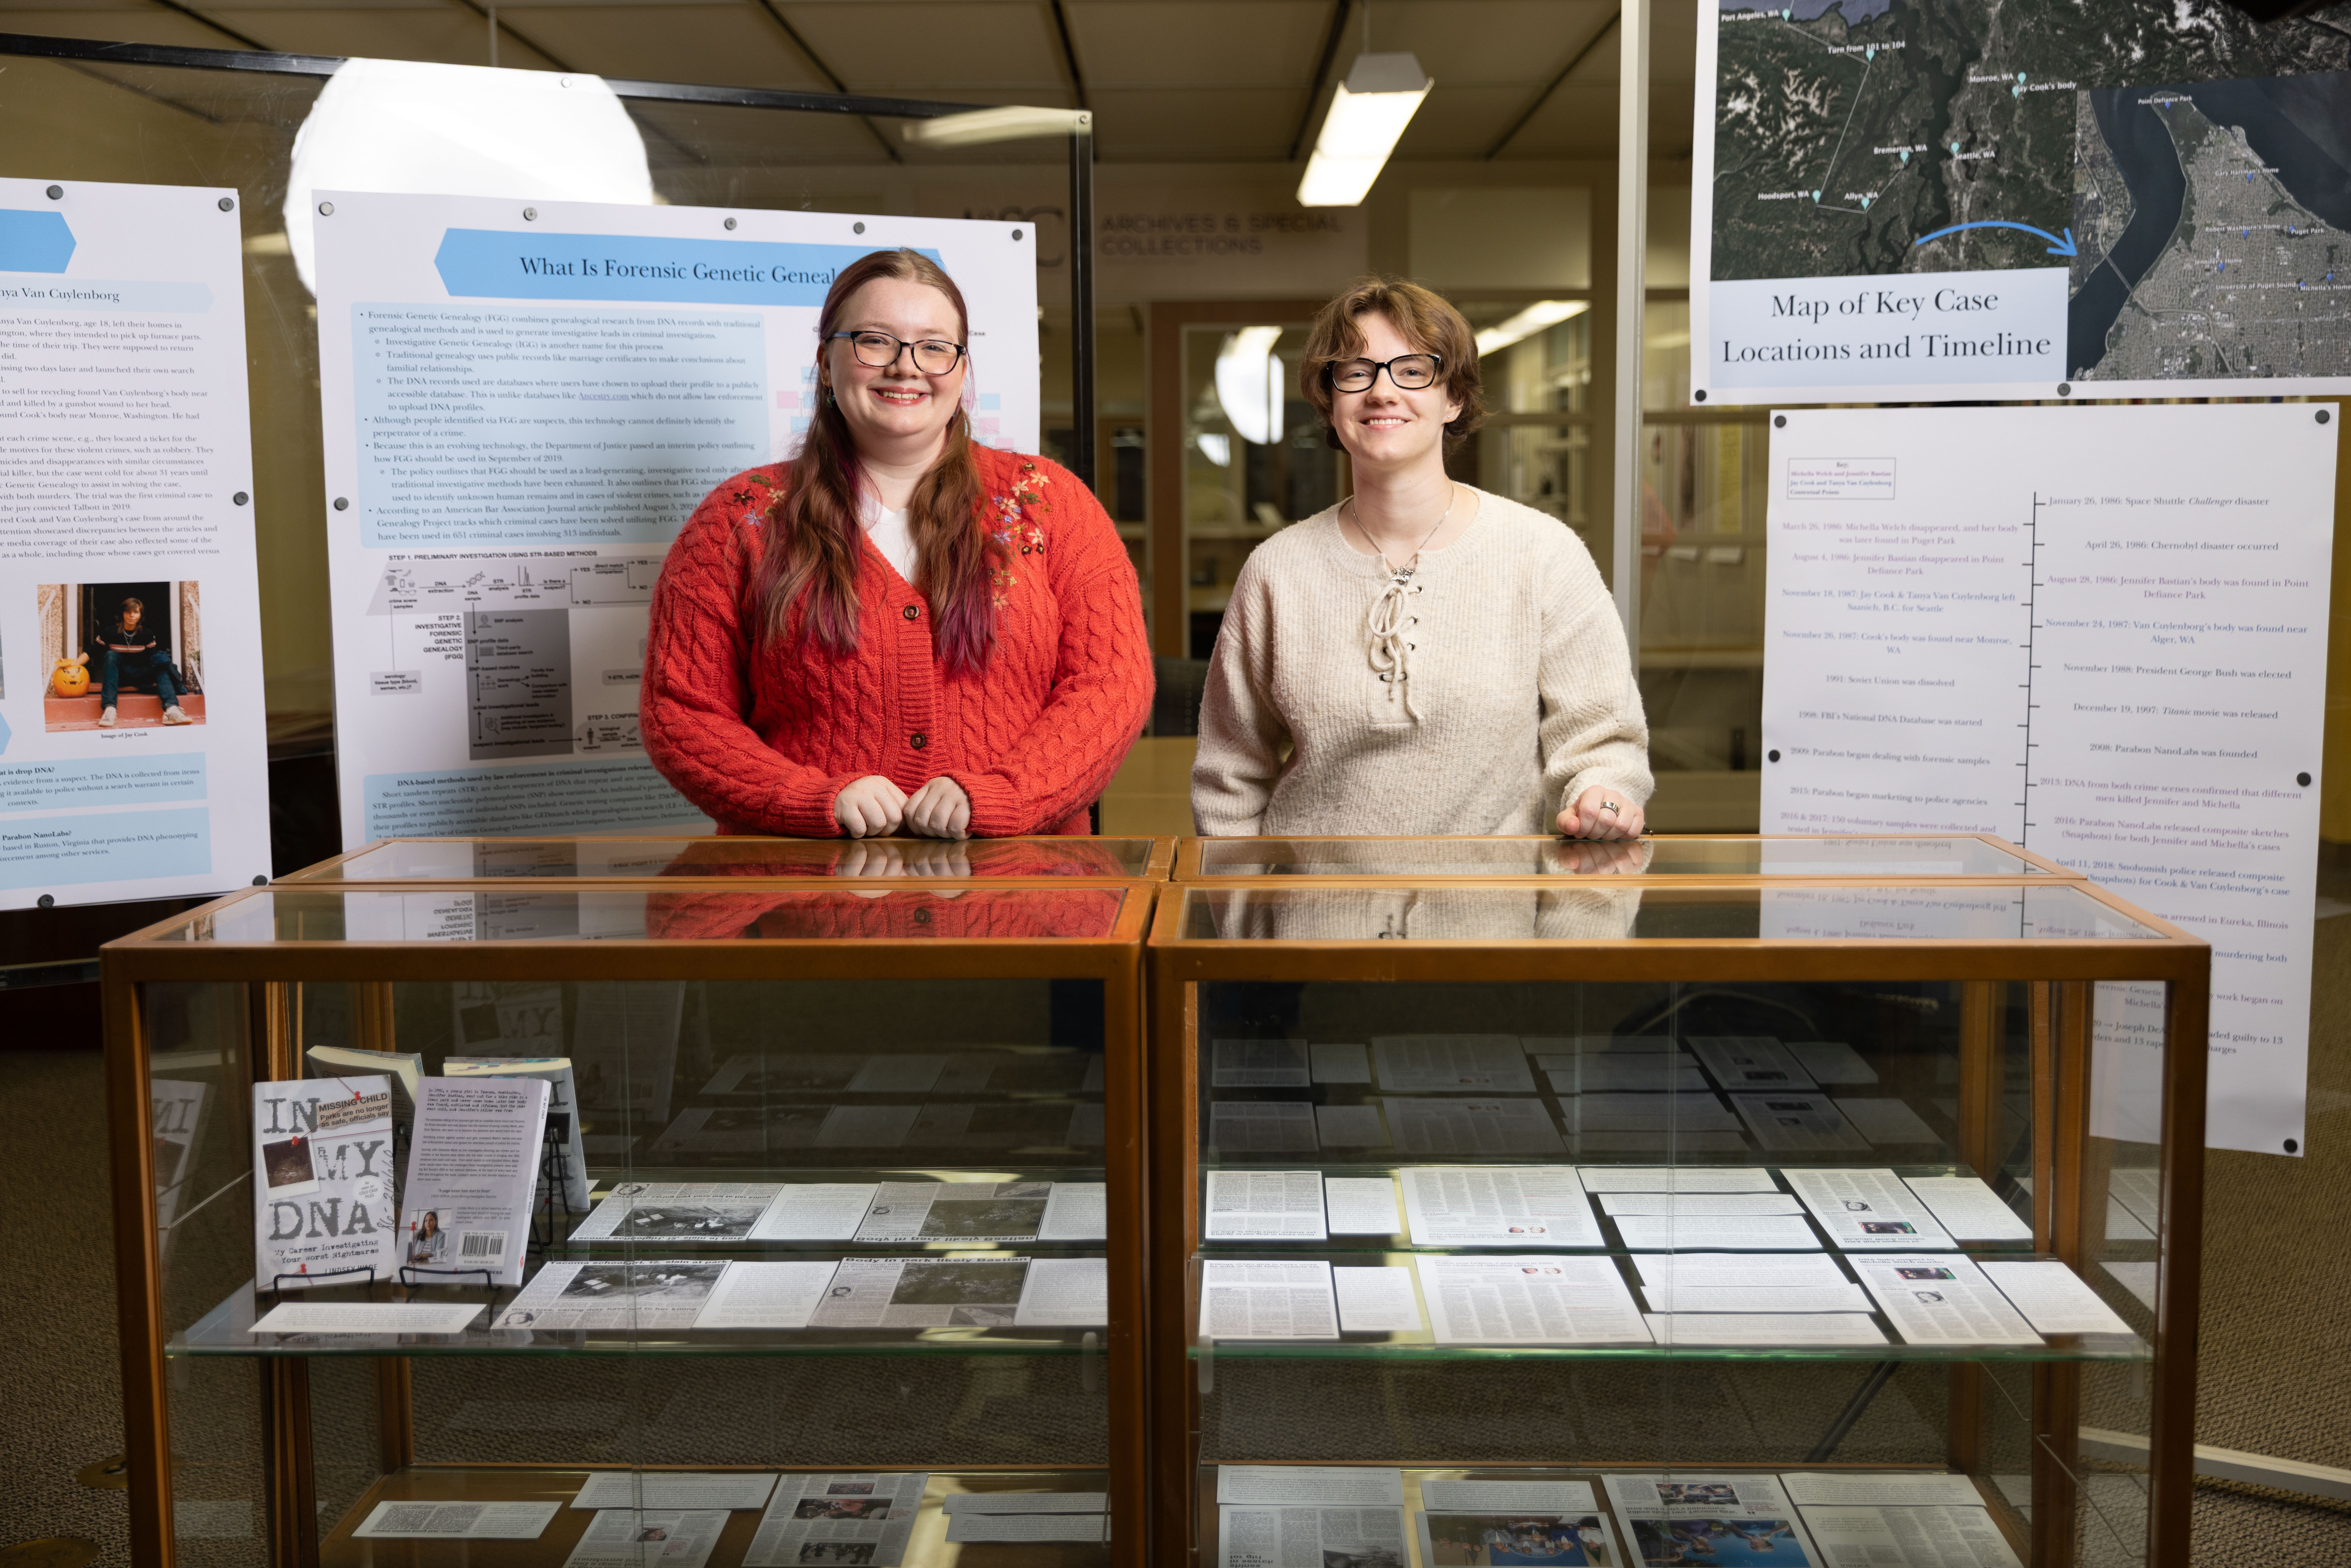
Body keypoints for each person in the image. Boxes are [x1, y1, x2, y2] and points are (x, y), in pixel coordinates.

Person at [643, 248, 1151, 839]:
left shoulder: (1050, 504)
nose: (906, 367)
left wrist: (1005, 794)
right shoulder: (739, 518)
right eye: (875, 341)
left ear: (962, 369)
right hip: (804, 901)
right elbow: (681, 712)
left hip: (1023, 895)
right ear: (826, 364)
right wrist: (811, 799)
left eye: (935, 346)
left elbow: (1111, 686)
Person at [1191, 277, 1650, 839]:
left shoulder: (1543, 554)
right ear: (1330, 402)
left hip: (1490, 918)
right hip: (1311, 916)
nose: (1382, 392)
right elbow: (1229, 779)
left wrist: (1602, 793)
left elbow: (1602, 739)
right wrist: (1243, 916)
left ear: (1452, 398)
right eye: (1356, 372)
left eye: (1412, 371)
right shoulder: (1276, 571)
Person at [77, 595, 191, 728]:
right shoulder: (110, 632)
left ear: (141, 616)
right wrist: (73, 667)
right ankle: (110, 710)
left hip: (142, 676)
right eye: (128, 612)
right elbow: (91, 652)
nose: (132, 616)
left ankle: (172, 710)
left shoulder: (147, 635)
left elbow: (154, 658)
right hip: (120, 677)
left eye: (136, 612)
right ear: (122, 614)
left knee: (160, 665)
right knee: (111, 655)